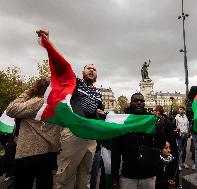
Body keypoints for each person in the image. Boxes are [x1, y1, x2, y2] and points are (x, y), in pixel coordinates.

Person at [36, 29, 105, 189]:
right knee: (66, 175)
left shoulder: (98, 92)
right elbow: (61, 64)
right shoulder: (75, 84)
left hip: (90, 136)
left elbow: (97, 111)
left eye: (94, 69)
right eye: (88, 68)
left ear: (96, 75)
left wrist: (100, 114)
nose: (91, 70)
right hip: (74, 133)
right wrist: (48, 41)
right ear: (83, 72)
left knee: (85, 177)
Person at [6, 78, 62, 189]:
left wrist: (28, 92)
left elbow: (10, 109)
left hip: (28, 153)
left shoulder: (38, 101)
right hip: (49, 154)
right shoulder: (58, 106)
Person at [111, 93, 160, 189]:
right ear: (130, 103)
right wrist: (114, 178)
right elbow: (116, 153)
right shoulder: (122, 121)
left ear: (144, 103)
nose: (139, 103)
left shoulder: (151, 120)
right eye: (135, 101)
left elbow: (159, 145)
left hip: (148, 175)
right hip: (128, 175)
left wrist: (160, 130)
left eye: (141, 101)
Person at [175, 106, 190, 171]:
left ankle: (183, 162)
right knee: (179, 149)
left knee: (184, 150)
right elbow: (175, 126)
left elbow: (188, 125)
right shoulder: (177, 117)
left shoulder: (186, 117)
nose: (179, 110)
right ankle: (178, 164)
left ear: (184, 110)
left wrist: (188, 133)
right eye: (179, 109)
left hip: (185, 134)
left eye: (181, 109)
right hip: (180, 135)